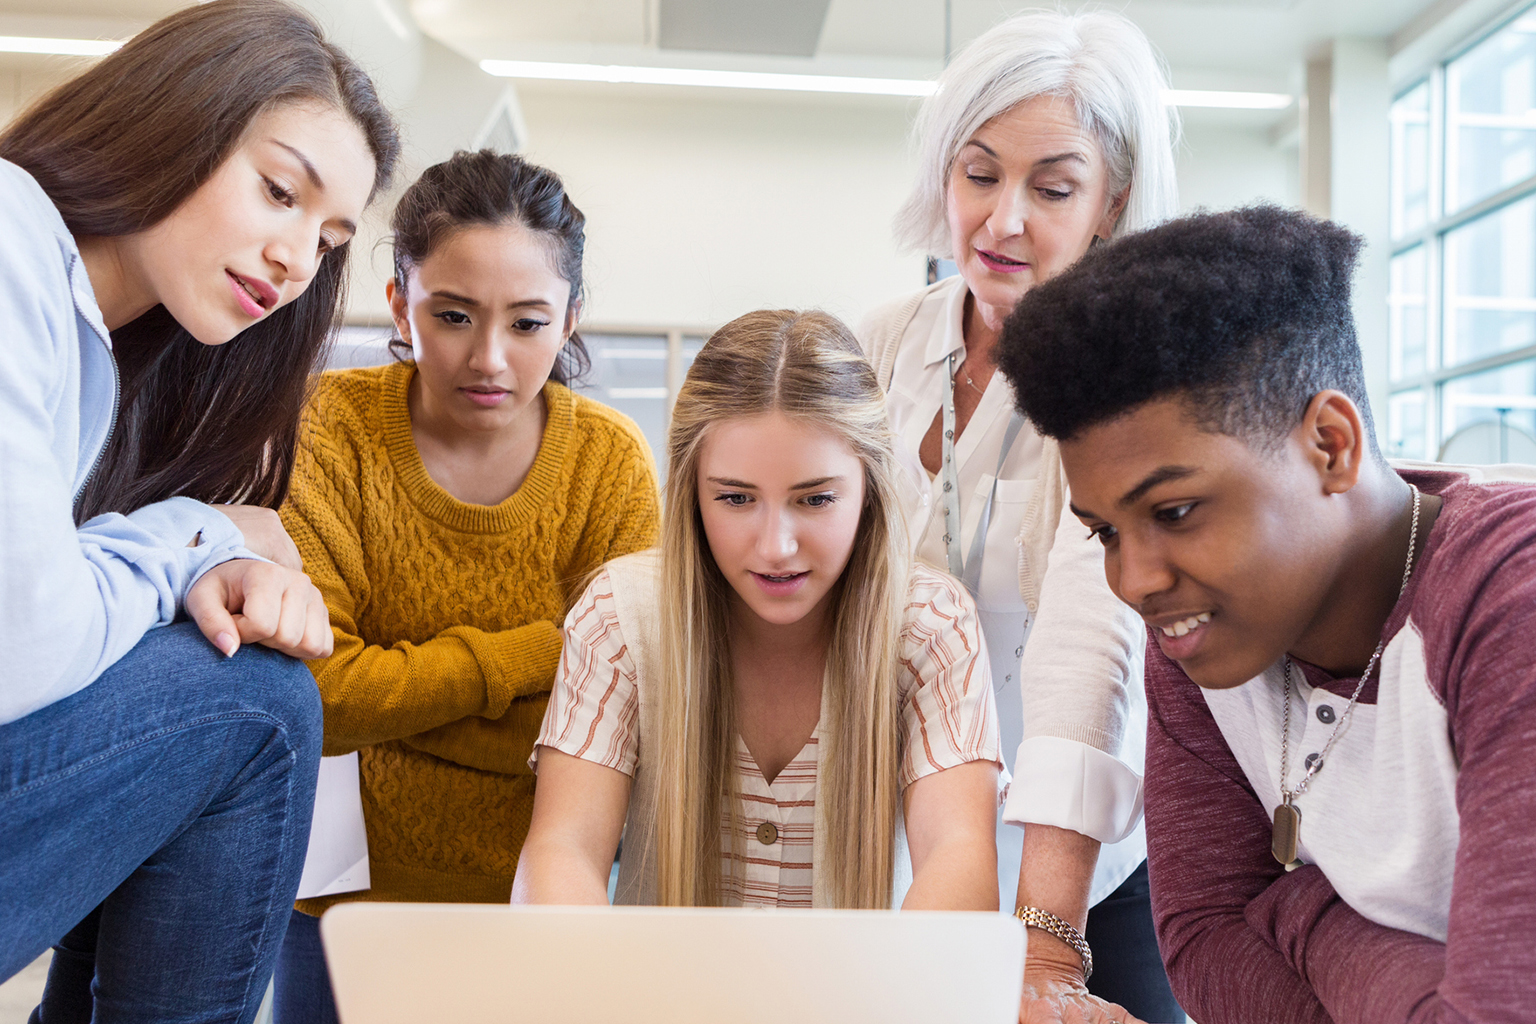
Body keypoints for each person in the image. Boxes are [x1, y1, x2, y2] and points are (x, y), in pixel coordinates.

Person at [995, 203, 1536, 1023]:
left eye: (1174, 512)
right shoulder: (1199, 636)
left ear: (1330, 445)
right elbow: (1205, 943)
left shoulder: (1509, 595)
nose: (1135, 580)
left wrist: (1296, 914)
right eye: (1105, 531)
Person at [0, 1, 399, 1020]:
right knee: (257, 705)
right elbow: (24, 642)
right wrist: (197, 535)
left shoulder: (113, 364)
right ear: (177, 116)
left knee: (210, 679)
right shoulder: (8, 233)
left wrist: (191, 553)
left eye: (329, 237)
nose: (296, 259)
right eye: (278, 191)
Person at [271, 150, 661, 1022]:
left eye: (527, 323)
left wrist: (401, 716)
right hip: (339, 912)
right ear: (399, 303)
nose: (489, 358)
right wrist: (538, 655)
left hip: (543, 902)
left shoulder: (607, 464)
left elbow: (620, 719)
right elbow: (318, 700)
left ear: (571, 322)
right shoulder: (329, 431)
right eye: (453, 315)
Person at [858, 10, 1180, 1021]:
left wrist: (1046, 950)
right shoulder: (881, 345)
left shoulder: (1135, 378)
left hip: (1084, 871)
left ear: (1108, 202)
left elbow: (1088, 656)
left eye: (1051, 188)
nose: (1002, 220)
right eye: (979, 174)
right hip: (908, 843)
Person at [512, 309, 1002, 911]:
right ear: (692, 489)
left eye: (816, 499)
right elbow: (563, 851)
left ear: (870, 487)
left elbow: (958, 854)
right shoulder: (619, 617)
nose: (775, 547)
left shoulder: (933, 625)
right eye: (737, 498)